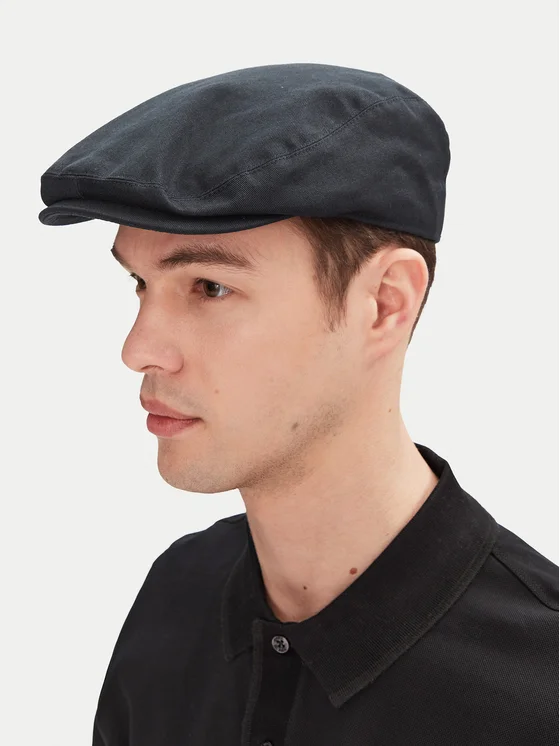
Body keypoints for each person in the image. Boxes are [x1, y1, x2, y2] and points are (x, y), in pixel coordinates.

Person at [38, 63, 558, 746]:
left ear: (384, 304)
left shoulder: (542, 690)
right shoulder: (177, 598)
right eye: (139, 283)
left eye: (210, 288)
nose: (138, 350)